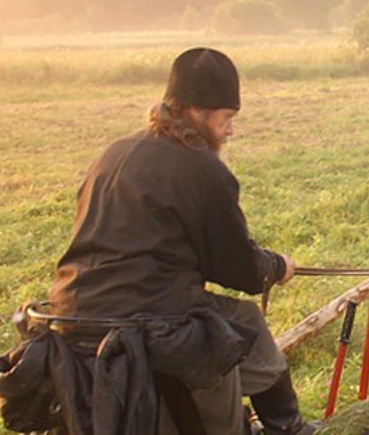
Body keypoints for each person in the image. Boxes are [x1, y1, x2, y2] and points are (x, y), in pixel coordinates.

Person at [48, 47, 315, 435]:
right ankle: (288, 428)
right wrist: (275, 267)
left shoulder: (116, 152)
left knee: (236, 320)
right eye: (226, 118)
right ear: (197, 112)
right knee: (247, 323)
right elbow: (235, 266)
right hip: (148, 318)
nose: (230, 130)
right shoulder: (203, 169)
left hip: (69, 312)